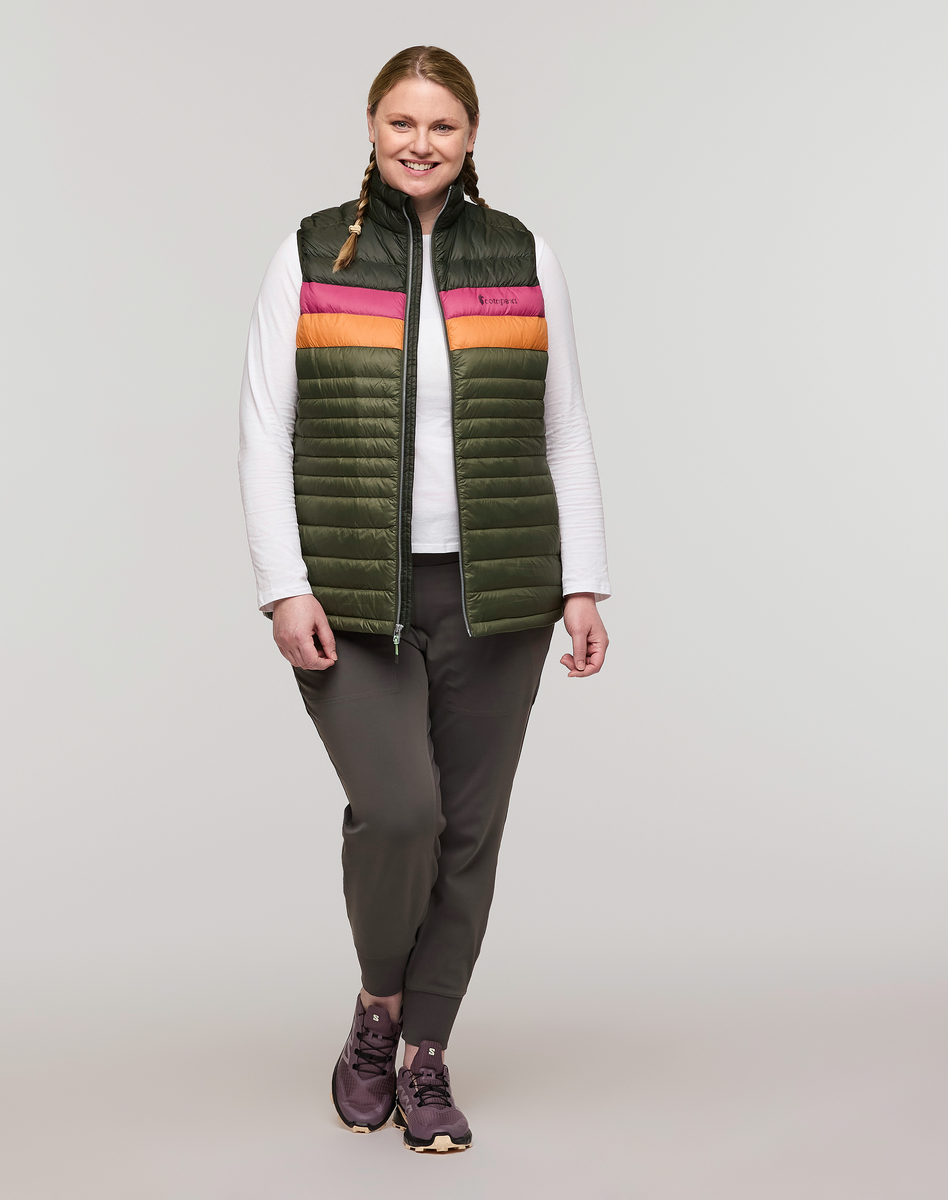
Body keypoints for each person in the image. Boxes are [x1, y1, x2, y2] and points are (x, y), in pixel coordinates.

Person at [238, 45, 610, 1153]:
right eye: (402, 121)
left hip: (501, 590)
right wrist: (283, 586)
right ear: (371, 126)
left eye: (442, 125)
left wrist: (582, 582)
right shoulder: (315, 252)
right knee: (401, 812)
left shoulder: (522, 255)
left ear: (472, 136)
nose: (420, 142)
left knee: (469, 830)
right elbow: (264, 431)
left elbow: (564, 428)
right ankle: (378, 1006)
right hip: (354, 594)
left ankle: (424, 1053)